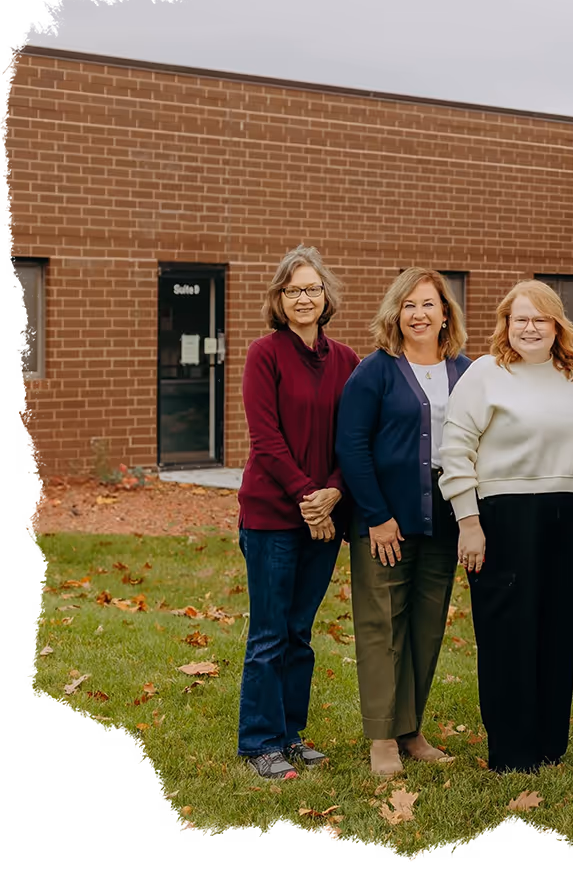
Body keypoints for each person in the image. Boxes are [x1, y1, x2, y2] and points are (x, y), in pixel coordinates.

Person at [438, 279, 573, 774]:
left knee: (556, 628)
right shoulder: (485, 373)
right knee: (507, 631)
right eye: (520, 319)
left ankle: (550, 743)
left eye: (540, 319)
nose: (530, 328)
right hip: (503, 515)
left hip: (569, 515)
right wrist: (468, 520)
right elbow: (455, 449)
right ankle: (511, 750)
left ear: (557, 326)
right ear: (505, 325)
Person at [335, 268, 472, 777]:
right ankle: (381, 737)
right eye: (408, 305)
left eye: (428, 305)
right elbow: (351, 445)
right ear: (396, 312)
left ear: (445, 314)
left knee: (426, 625)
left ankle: (411, 730)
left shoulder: (466, 370)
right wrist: (376, 516)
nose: (418, 314)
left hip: (443, 518)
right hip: (385, 518)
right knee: (381, 625)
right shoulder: (375, 370)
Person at [235, 245, 359, 779]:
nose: (303, 298)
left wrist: (332, 492)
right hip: (271, 515)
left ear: (326, 295)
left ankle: (289, 734)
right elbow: (266, 437)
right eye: (292, 290)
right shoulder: (264, 354)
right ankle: (258, 741)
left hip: (325, 512)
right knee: (269, 632)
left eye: (311, 288)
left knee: (300, 631)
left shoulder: (348, 360)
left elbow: (354, 438)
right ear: (279, 300)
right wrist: (310, 499)